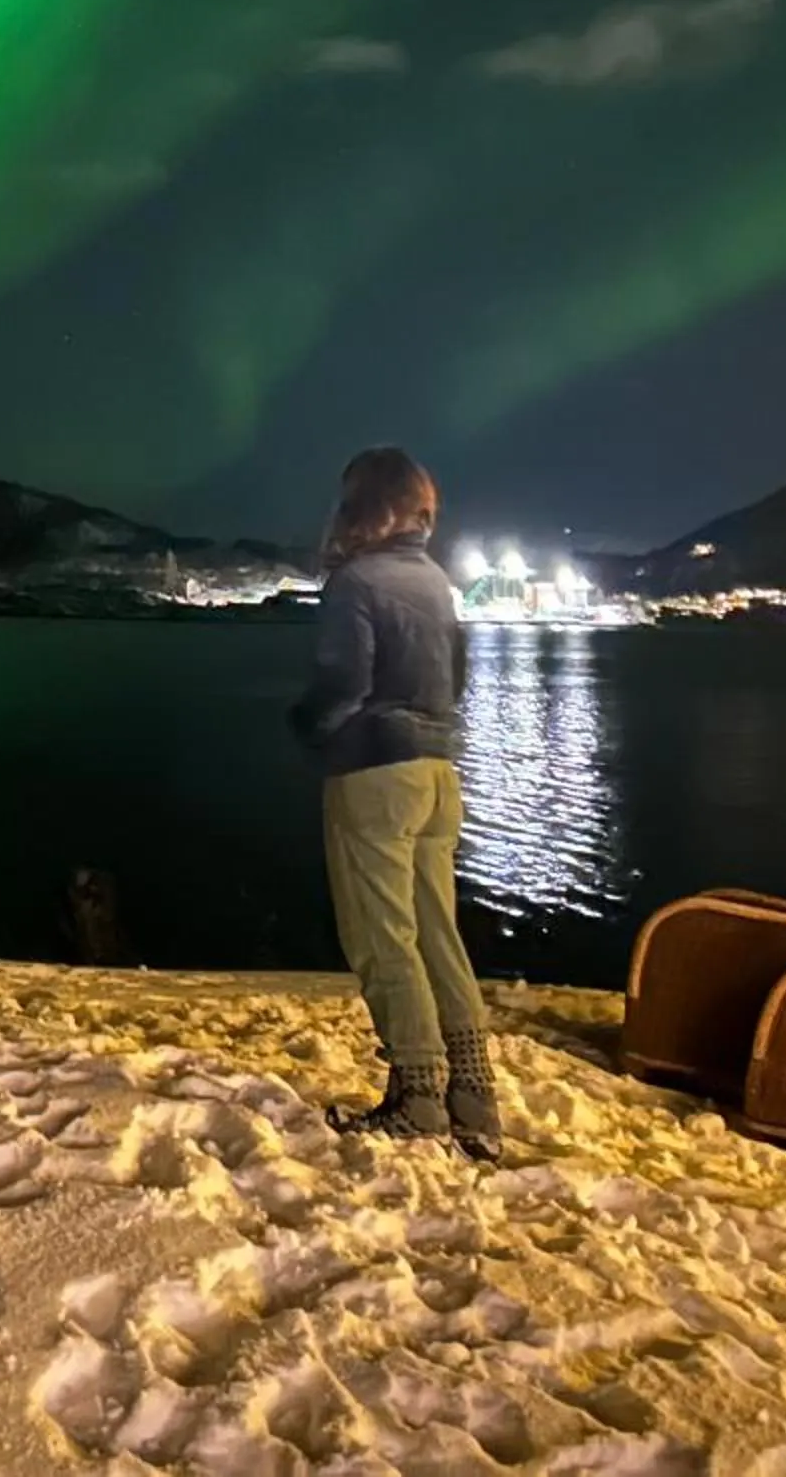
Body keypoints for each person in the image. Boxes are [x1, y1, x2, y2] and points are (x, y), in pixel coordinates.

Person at [288, 445, 498, 1160]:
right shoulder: (436, 582)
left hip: (374, 772)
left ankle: (417, 1096)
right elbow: (459, 679)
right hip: (439, 774)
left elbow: (342, 684)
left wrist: (307, 726)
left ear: (363, 508)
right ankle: (473, 1094)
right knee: (438, 929)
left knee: (382, 938)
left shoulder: (356, 581)